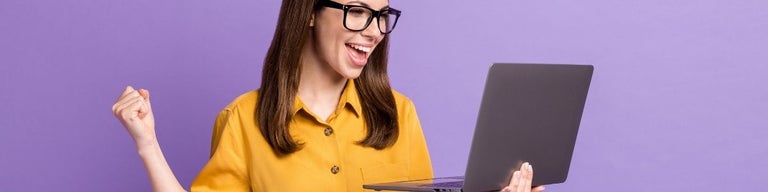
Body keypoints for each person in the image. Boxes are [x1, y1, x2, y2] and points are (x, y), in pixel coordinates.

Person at [112, 0, 545, 191]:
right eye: (357, 12)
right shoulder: (243, 119)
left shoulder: (399, 114)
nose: (374, 31)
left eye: (381, 15)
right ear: (309, 15)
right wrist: (147, 144)